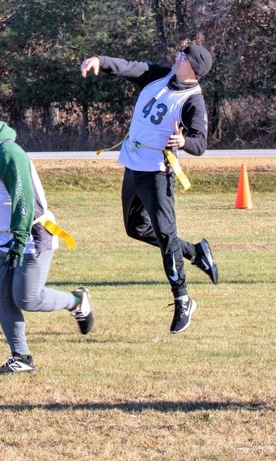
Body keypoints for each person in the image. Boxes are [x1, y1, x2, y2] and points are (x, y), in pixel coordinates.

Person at [80, 45, 218, 334]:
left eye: (183, 57)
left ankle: (183, 299)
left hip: (158, 172)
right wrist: (100, 60)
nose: (177, 57)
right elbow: (129, 66)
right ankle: (196, 252)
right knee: (135, 229)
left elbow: (200, 143)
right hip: (133, 165)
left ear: (192, 68)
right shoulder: (159, 75)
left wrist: (183, 143)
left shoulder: (193, 101)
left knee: (167, 237)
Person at [0, 106, 94, 374]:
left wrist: (20, 240)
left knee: (27, 298)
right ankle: (20, 356)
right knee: (1, 296)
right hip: (3, 237)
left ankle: (77, 301)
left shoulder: (8, 154)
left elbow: (24, 200)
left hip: (31, 234)